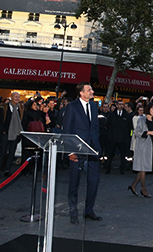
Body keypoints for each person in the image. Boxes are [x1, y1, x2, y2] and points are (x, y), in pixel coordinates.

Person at [63, 82, 102, 224]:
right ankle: (73, 212)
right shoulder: (71, 107)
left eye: (91, 89)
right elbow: (67, 131)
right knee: (74, 183)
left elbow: (95, 128)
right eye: (89, 89)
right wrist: (70, 151)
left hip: (92, 150)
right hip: (77, 151)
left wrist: (96, 145)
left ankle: (89, 211)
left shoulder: (93, 106)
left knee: (94, 181)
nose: (92, 91)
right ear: (81, 92)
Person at [129, 102, 153, 198]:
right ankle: (143, 189)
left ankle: (133, 185)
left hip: (151, 146)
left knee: (143, 168)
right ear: (148, 109)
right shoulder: (142, 119)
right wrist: (148, 132)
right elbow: (137, 132)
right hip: (142, 146)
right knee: (143, 169)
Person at [0, 92, 25, 178]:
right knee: (2, 152)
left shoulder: (20, 108)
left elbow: (22, 121)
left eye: (18, 97)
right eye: (15, 97)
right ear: (11, 97)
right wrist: (3, 131)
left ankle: (7, 170)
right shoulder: (4, 108)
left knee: (11, 153)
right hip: (5, 134)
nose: (17, 99)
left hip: (15, 134)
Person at [104, 100, 133, 174]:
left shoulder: (127, 115)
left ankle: (122, 169)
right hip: (112, 138)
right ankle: (107, 168)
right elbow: (107, 125)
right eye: (119, 104)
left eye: (122, 104)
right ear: (116, 105)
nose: (120, 106)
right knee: (109, 154)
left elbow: (129, 126)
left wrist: (126, 136)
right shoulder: (111, 115)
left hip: (123, 139)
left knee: (123, 155)